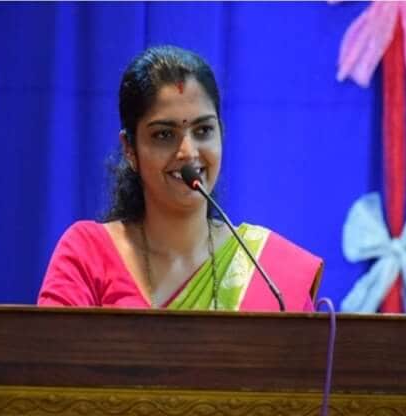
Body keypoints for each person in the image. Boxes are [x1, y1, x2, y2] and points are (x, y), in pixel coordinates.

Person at [38, 45, 322, 311]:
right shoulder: (88, 254)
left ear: (221, 133)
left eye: (203, 131)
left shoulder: (267, 270)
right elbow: (52, 359)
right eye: (164, 134)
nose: (188, 152)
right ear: (129, 149)